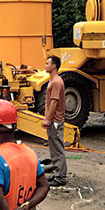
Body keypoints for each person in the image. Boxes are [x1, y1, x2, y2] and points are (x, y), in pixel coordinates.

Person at [42, 55, 67, 186]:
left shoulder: (56, 82)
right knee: (54, 148)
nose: (45, 65)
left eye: (47, 63)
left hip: (55, 121)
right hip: (54, 121)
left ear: (54, 66)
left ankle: (61, 177)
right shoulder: (53, 81)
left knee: (57, 148)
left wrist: (48, 119)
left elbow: (54, 102)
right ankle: (57, 174)